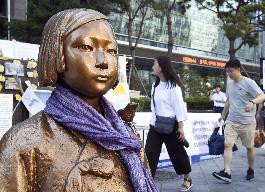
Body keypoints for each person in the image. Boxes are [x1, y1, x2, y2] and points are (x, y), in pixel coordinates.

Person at [0, 9, 158, 192]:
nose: (103, 61)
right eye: (86, 47)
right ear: (57, 54)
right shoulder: (23, 142)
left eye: (111, 50)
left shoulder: (125, 135)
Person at [212, 59, 265, 183]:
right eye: (227, 71)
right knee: (227, 145)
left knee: (249, 147)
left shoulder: (249, 82)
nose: (229, 74)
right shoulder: (230, 84)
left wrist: (252, 102)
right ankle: (227, 172)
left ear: (238, 69)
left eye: (230, 71)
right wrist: (223, 115)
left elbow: (262, 96)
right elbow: (228, 101)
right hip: (232, 121)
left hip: (247, 122)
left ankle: (251, 169)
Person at [145, 56, 192, 192]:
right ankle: (148, 181)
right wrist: (152, 123)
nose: (153, 66)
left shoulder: (173, 86)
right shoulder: (155, 85)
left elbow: (179, 107)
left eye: (154, 63)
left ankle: (188, 177)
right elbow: (154, 107)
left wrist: (181, 128)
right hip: (155, 125)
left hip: (171, 126)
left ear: (161, 67)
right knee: (150, 153)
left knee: (177, 153)